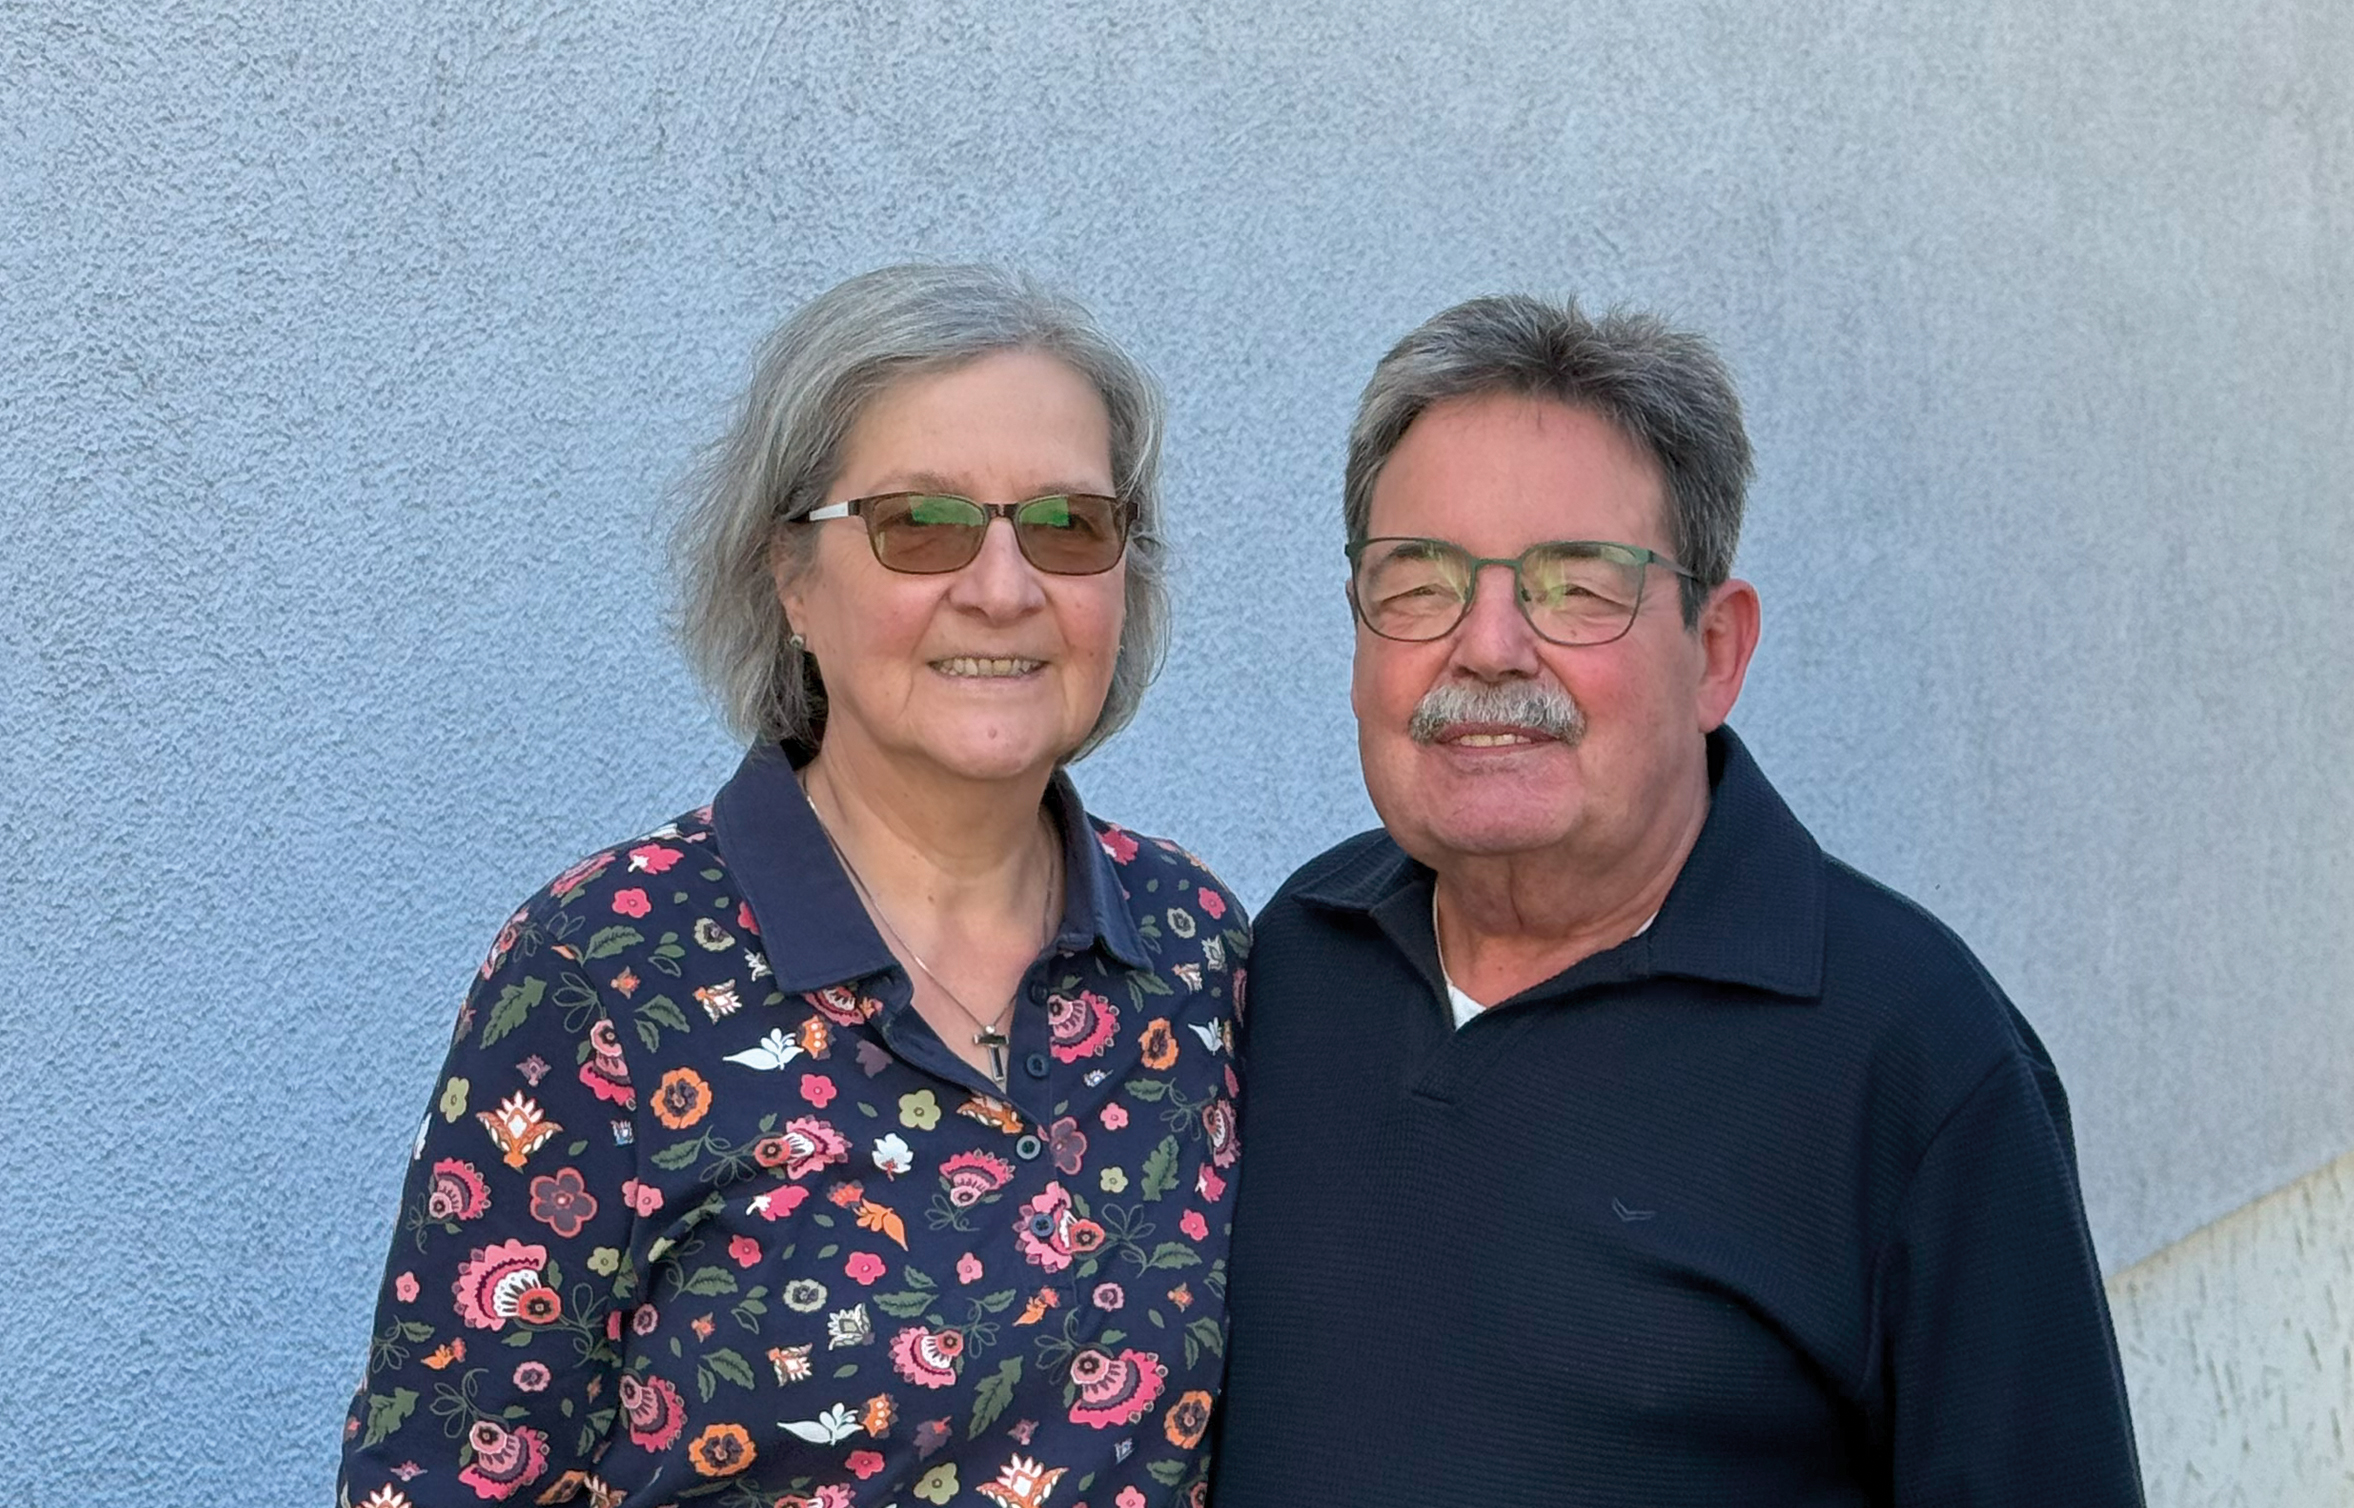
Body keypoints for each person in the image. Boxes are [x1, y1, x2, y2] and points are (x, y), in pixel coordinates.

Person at [339, 265, 1247, 1508]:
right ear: (791, 577)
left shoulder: (1190, 945)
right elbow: (445, 1478)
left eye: (1066, 524)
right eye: (918, 522)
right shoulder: (605, 972)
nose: (1002, 587)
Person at [1213, 295, 2143, 1504]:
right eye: (1418, 582)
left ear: (1714, 651)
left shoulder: (1913, 1058)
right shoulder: (1296, 955)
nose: (1487, 646)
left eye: (1574, 586)